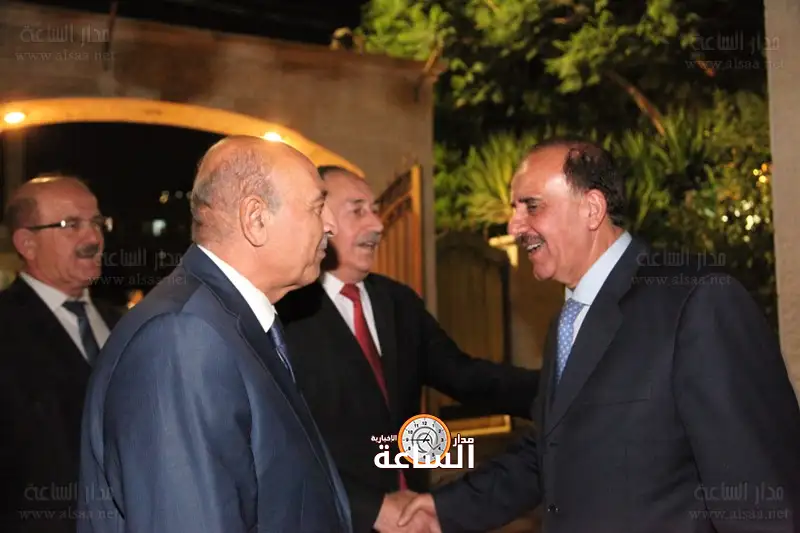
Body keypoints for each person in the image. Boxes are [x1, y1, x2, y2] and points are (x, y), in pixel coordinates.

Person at [397, 139, 800, 533]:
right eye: (514, 209)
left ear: (592, 209)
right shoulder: (566, 322)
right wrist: (443, 510)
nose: (514, 226)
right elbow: (550, 451)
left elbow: (759, 493)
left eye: (531, 206)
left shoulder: (698, 303)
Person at [77, 136, 353, 533]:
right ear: (256, 219)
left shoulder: (223, 322)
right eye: (316, 206)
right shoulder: (182, 338)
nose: (331, 225)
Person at [276, 166, 540, 532]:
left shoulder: (398, 302)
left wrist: (559, 388)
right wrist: (371, 509)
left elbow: (467, 376)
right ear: (322, 221)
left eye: (375, 210)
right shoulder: (285, 314)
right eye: (358, 211)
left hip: (415, 514)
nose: (377, 225)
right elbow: (282, 445)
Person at [0, 175, 123, 533]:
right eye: (71, 225)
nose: (93, 238)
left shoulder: (124, 325)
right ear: (26, 242)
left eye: (97, 222)